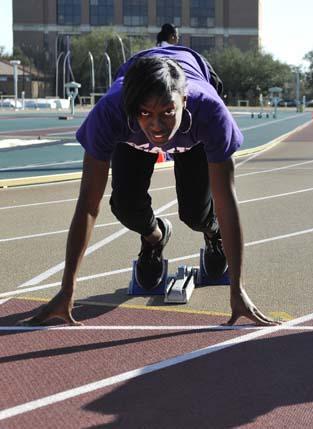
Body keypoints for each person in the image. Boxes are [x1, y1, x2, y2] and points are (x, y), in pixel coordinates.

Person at [21, 44, 278, 326]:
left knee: (195, 213)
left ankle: (212, 234)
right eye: (146, 113)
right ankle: (155, 237)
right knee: (125, 207)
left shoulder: (211, 114)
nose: (157, 126)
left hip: (191, 129)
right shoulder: (111, 113)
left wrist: (237, 288)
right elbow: (88, 205)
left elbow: (227, 201)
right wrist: (67, 289)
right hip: (134, 122)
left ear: (184, 99)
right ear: (133, 108)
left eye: (167, 111)